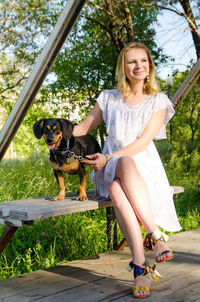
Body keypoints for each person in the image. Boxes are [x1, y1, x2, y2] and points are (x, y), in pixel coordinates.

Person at [73, 41, 181, 298]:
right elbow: (82, 128)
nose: (138, 66)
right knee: (121, 165)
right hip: (108, 164)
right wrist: (55, 134)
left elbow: (143, 142)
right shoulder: (108, 98)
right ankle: (155, 235)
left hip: (143, 167)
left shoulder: (158, 100)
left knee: (117, 187)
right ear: (123, 66)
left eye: (143, 61)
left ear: (149, 66)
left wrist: (109, 156)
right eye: (132, 61)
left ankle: (140, 267)